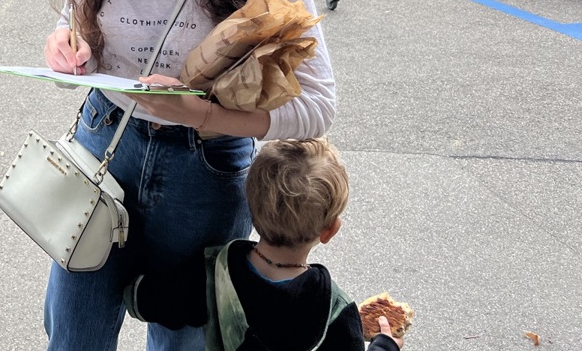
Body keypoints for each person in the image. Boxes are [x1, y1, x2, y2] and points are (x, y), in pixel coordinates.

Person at [42, 0, 336, 350]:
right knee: (73, 333)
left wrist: (204, 117)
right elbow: (74, 13)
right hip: (104, 141)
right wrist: (65, 38)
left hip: (202, 168)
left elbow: (318, 105)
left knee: (183, 338)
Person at [123, 138, 403, 351]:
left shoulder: (213, 274)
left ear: (251, 211)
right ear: (330, 231)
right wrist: (385, 345)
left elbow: (143, 300)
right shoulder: (335, 311)